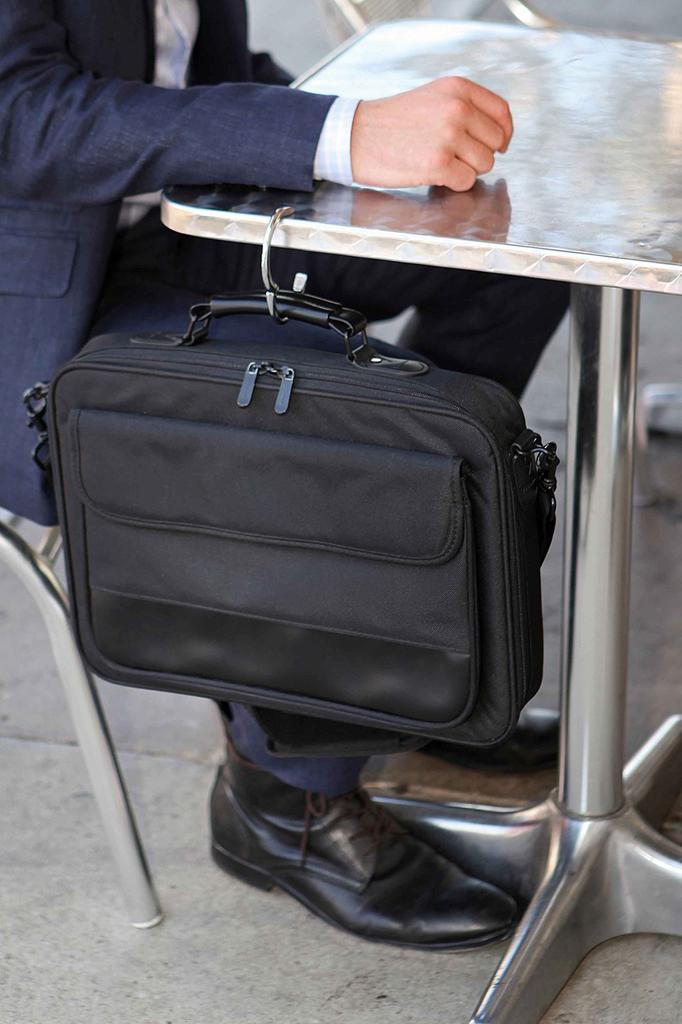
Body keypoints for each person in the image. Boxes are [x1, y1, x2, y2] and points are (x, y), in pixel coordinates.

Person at [0, 1, 568, 949]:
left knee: (510, 247)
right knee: (322, 433)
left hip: (188, 217)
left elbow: (193, 67)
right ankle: (285, 801)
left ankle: (410, 665)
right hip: (43, 307)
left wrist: (381, 126)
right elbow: (21, 118)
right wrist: (336, 133)